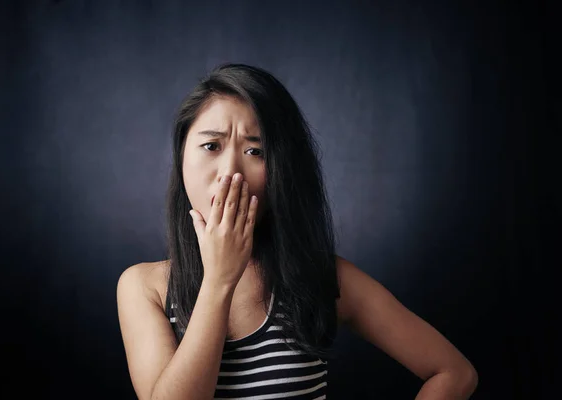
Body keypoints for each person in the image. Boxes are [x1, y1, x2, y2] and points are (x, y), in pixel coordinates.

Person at [117, 63, 478, 400]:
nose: (231, 172)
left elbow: (453, 372)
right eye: (211, 146)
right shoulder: (144, 287)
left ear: (282, 169)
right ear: (181, 155)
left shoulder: (322, 277)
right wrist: (219, 281)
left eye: (255, 151)